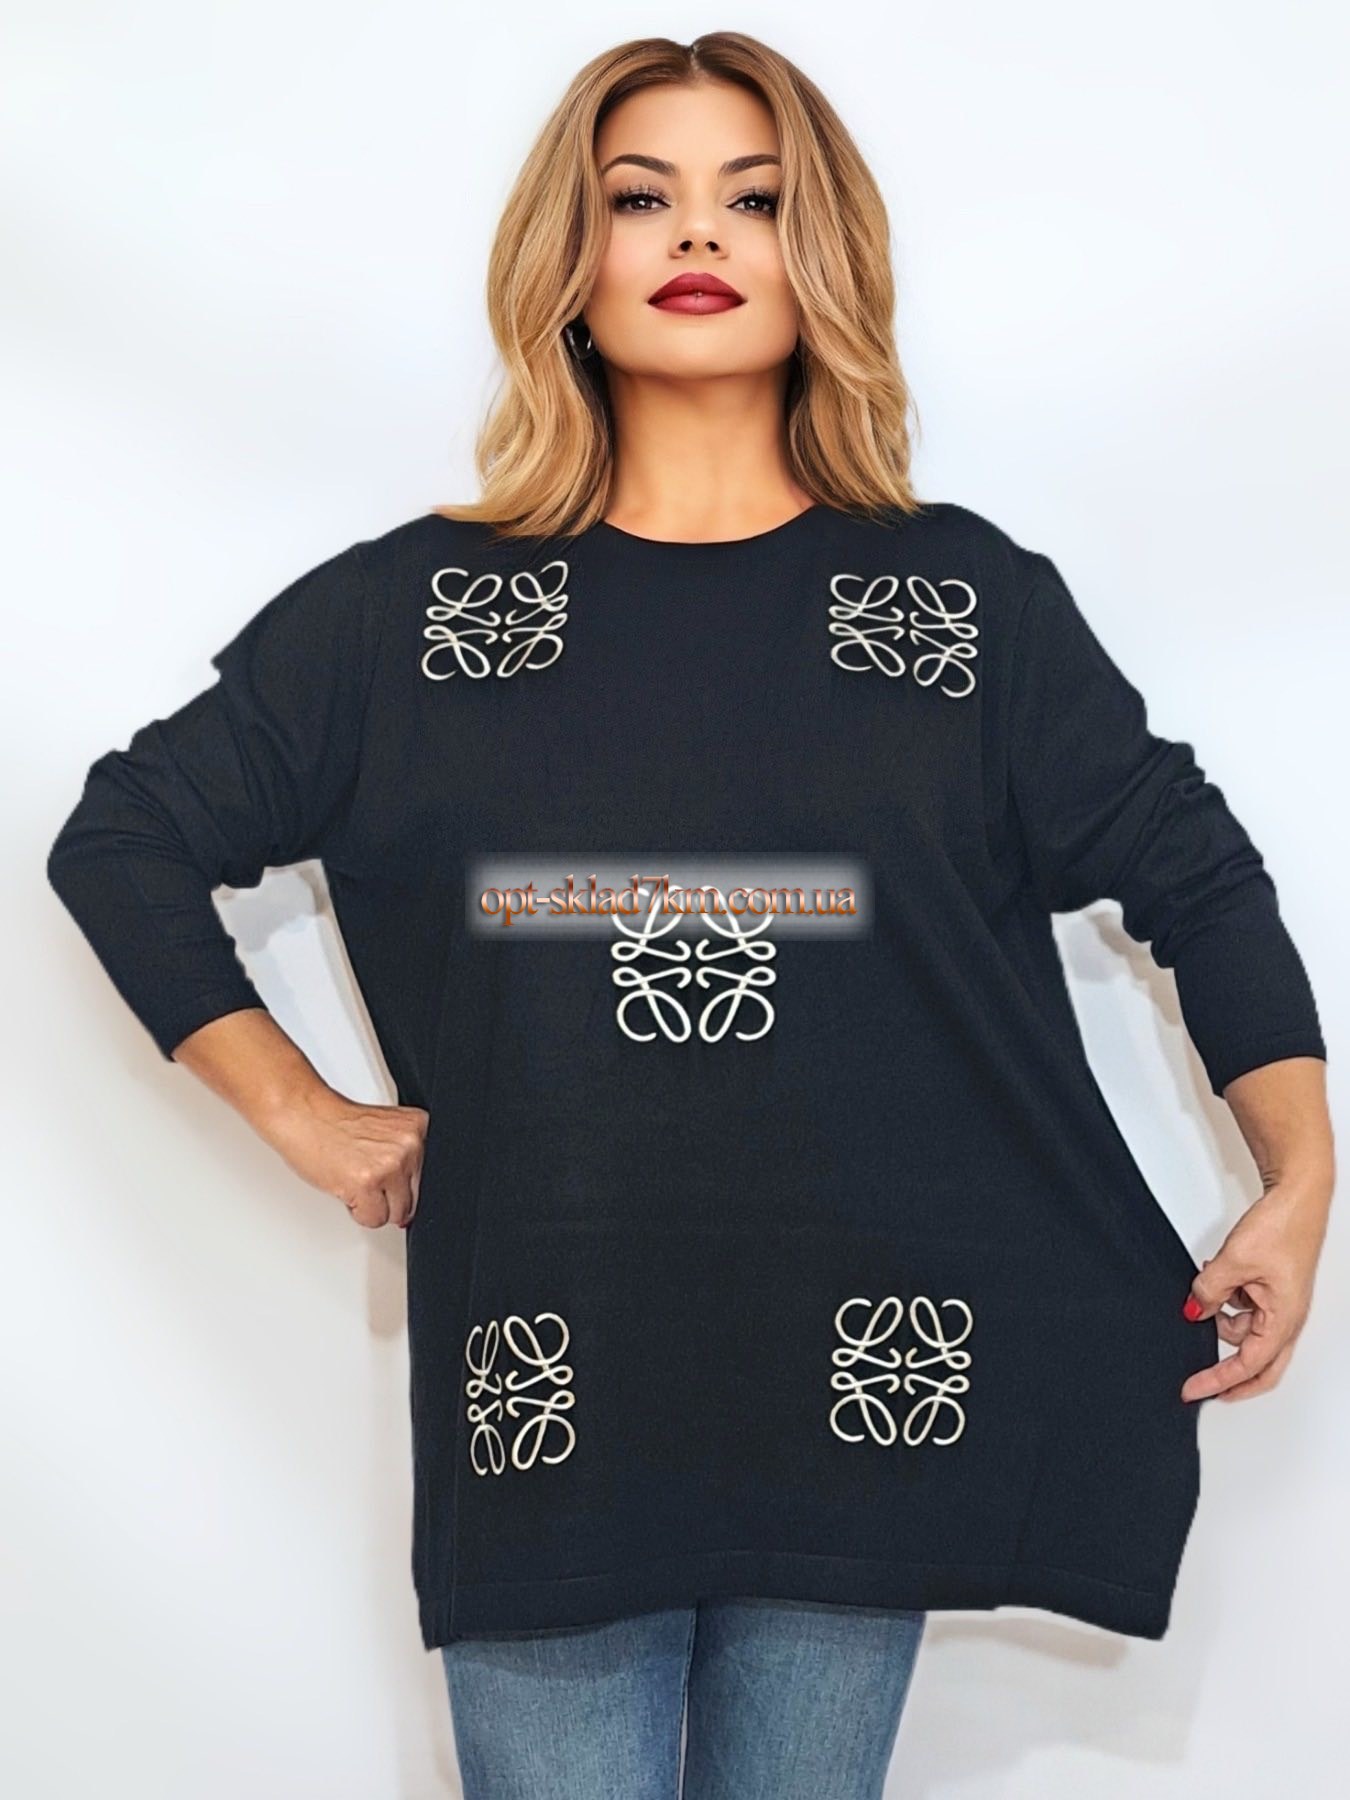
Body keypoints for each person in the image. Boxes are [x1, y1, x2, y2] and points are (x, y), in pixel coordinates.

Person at [46, 31, 1333, 1800]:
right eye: (639, 197)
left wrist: (1298, 1178)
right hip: (549, 1395)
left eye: (755, 198)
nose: (697, 234)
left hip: (870, 1395)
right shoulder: (415, 616)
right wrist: (300, 1111)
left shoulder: (956, 609)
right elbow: (123, 837)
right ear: (568, 260)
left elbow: (1195, 872)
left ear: (825, 258)